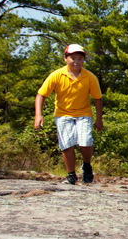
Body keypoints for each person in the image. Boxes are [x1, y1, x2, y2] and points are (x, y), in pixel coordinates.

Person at [35, 44, 104, 185]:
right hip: (62, 114)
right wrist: (38, 115)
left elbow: (98, 98)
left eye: (80, 59)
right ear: (65, 58)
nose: (76, 62)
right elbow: (41, 95)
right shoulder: (56, 75)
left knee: (86, 141)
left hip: (83, 113)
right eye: (73, 58)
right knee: (67, 144)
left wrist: (99, 119)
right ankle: (71, 175)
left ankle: (86, 165)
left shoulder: (90, 77)